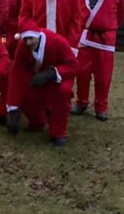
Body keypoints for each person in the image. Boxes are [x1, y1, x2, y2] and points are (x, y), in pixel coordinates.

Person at [6, 18, 77, 147]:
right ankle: (37, 121)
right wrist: (13, 107)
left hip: (59, 78)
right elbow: (17, 72)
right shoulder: (23, 46)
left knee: (62, 92)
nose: (28, 42)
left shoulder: (57, 42)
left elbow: (72, 65)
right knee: (24, 89)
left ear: (37, 35)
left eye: (30, 39)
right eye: (25, 39)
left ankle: (59, 132)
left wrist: (52, 73)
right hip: (36, 77)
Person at [72, 0, 124, 121]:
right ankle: (81, 102)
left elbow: (121, 14)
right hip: (85, 37)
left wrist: (109, 27)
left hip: (106, 39)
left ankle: (101, 107)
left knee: (103, 76)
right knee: (82, 72)